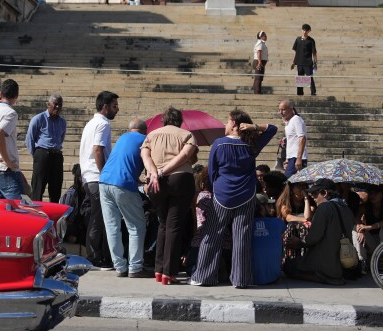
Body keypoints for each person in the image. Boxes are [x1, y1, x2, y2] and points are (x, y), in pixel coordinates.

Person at [190, 110, 277, 288]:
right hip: (246, 194)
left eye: (228, 121)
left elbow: (213, 172)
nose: (225, 125)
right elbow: (272, 129)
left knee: (212, 234)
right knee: (242, 237)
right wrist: (254, 127)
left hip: (222, 194)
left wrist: (216, 189)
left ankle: (204, 276)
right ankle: (241, 279)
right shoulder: (250, 145)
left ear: (235, 125)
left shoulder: (219, 144)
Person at [142, 106, 199, 284]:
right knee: (174, 226)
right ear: (179, 120)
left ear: (164, 120)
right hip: (180, 180)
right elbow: (184, 156)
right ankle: (170, 272)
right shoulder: (186, 135)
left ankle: (159, 270)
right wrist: (165, 170)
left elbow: (145, 155)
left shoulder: (151, 135)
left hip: (156, 182)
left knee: (163, 225)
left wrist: (154, 173)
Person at [99, 118, 149, 278]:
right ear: (144, 131)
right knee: (136, 226)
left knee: (112, 226)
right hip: (123, 185)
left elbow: (124, 163)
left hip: (104, 181)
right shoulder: (145, 140)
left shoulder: (122, 138)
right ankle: (135, 267)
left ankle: (120, 267)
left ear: (129, 130)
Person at [283, 178, 355, 284]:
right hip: (343, 260)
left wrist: (299, 242)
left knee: (287, 266)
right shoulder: (346, 208)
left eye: (315, 193)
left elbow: (313, 237)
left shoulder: (324, 208)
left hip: (324, 262)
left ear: (324, 193)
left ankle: (321, 277)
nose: (312, 196)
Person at [79, 90, 120, 268]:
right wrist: (104, 173)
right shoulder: (103, 124)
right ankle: (95, 256)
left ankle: (98, 254)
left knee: (98, 218)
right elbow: (97, 149)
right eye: (114, 106)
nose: (117, 110)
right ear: (105, 107)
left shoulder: (91, 123)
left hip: (89, 176)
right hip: (96, 177)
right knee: (100, 218)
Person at [25, 94, 67, 203]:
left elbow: (61, 138)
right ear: (49, 105)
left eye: (60, 105)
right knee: (38, 188)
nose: (58, 107)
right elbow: (29, 138)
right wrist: (36, 154)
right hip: (42, 154)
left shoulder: (62, 122)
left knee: (56, 188)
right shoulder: (39, 119)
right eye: (55, 104)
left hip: (56, 155)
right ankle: (35, 215)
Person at [277, 182, 313, 260]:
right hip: (289, 235)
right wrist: (304, 219)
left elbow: (308, 215)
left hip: (303, 237)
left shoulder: (310, 202)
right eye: (299, 186)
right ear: (292, 188)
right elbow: (288, 218)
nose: (302, 188)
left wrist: (306, 198)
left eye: (304, 186)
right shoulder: (285, 202)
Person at [278, 99, 307, 177]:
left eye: (283, 110)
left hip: (296, 157)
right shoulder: (289, 122)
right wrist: (287, 159)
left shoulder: (296, 119)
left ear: (291, 109)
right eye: (279, 110)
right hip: (292, 157)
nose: (281, 112)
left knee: (290, 180)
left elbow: (302, 138)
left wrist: (299, 158)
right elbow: (291, 142)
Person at [290, 23, 318, 96]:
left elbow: (314, 53)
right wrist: (293, 62)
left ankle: (313, 92)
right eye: (303, 30)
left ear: (309, 31)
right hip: (299, 62)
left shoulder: (311, 40)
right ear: (301, 30)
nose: (305, 32)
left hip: (308, 63)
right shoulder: (298, 39)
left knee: (310, 78)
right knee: (300, 78)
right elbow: (295, 51)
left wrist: (315, 63)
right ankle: (299, 93)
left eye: (306, 30)